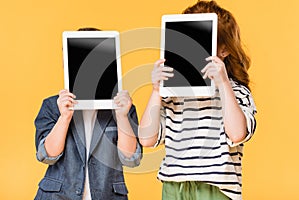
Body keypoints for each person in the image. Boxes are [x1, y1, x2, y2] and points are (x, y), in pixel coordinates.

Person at [138, 1, 257, 200]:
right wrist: (156, 90)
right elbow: (147, 139)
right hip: (174, 186)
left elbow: (237, 134)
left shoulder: (237, 92)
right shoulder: (172, 94)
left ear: (224, 49)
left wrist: (224, 84)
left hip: (216, 188)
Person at [34, 27, 142, 200]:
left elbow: (131, 159)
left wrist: (122, 116)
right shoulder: (52, 106)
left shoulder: (122, 107)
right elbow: (47, 156)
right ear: (66, 62)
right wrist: (64, 117)